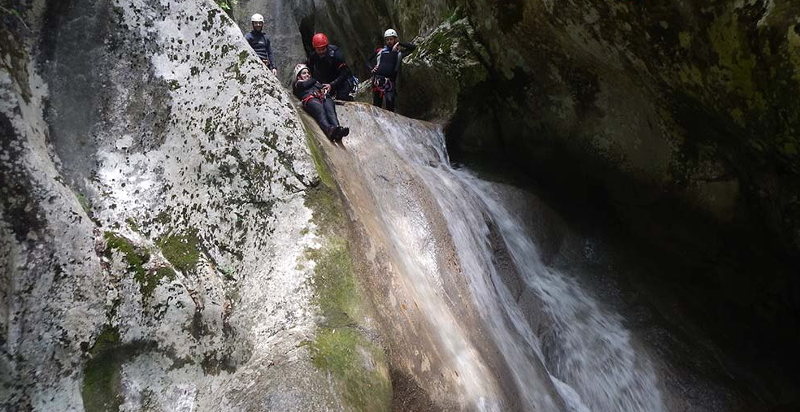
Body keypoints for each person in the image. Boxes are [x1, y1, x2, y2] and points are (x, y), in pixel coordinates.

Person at [292, 64, 350, 142]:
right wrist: (315, 80)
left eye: (308, 73)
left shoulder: (314, 81)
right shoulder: (298, 83)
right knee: (320, 111)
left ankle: (338, 129)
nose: (307, 75)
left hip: (322, 97)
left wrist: (324, 90)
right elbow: (306, 84)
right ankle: (329, 129)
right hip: (310, 99)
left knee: (330, 111)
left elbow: (321, 86)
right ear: (298, 76)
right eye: (304, 73)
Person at [371, 28, 416, 112]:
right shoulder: (380, 51)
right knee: (377, 106)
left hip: (389, 83)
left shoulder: (399, 53)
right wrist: (372, 67)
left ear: (395, 39)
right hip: (378, 80)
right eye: (387, 39)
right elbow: (368, 60)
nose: (389, 41)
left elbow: (413, 47)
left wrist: (400, 43)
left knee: (390, 107)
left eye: (391, 39)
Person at [306, 33, 354, 101]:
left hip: (342, 80)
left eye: (323, 49)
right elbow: (309, 69)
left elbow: (345, 73)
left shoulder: (336, 54)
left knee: (341, 97)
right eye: (319, 49)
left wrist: (332, 84)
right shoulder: (313, 56)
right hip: (327, 80)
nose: (321, 51)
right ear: (315, 48)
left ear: (326, 46)